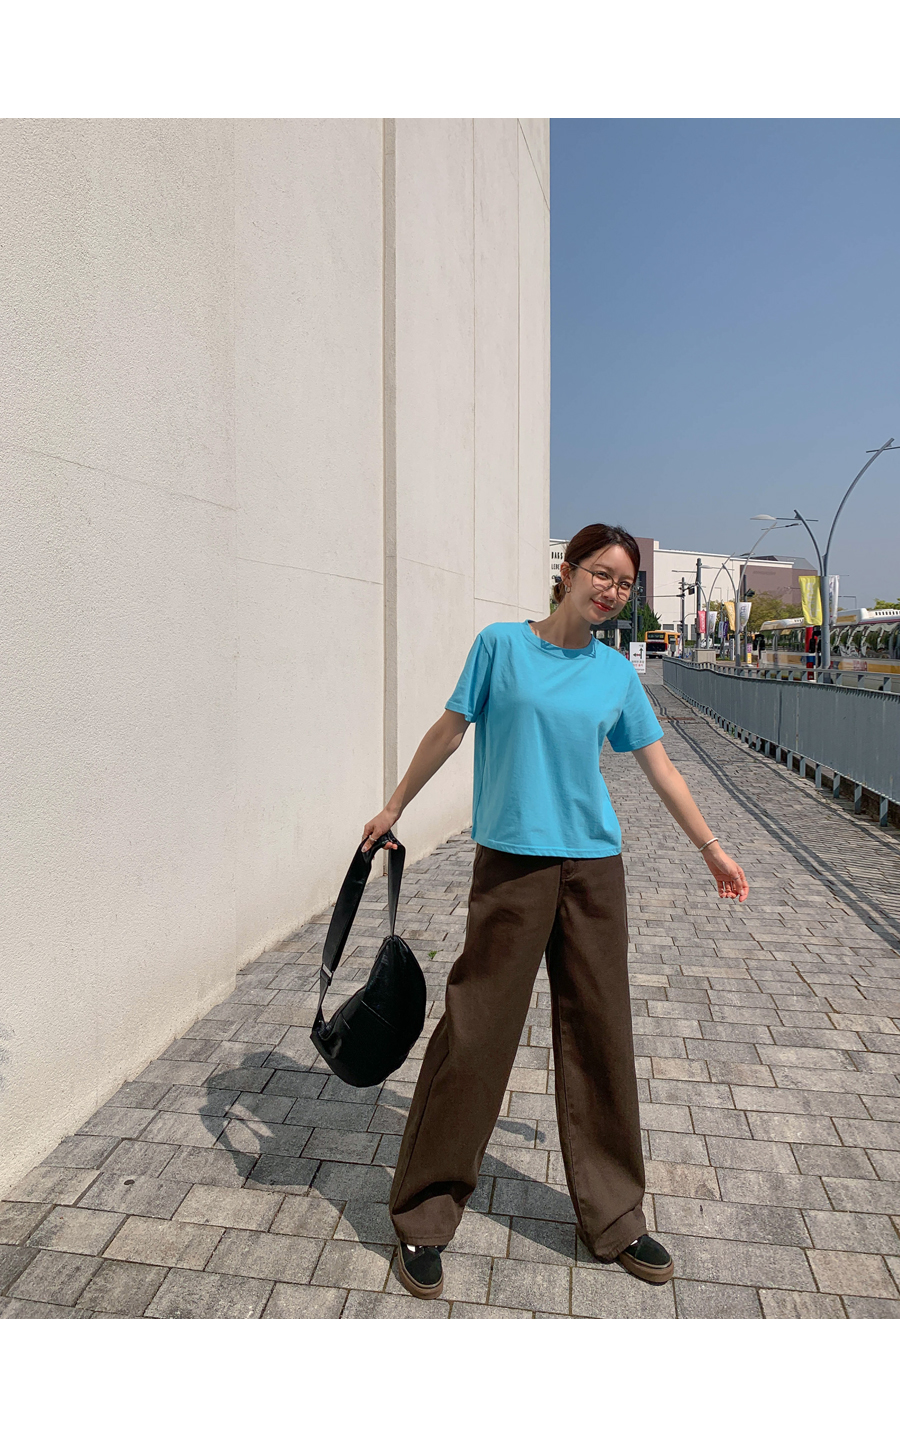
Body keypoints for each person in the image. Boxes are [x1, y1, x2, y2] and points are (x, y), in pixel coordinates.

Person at [361, 523, 749, 1300]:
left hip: (594, 871)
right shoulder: (500, 647)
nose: (612, 591)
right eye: (601, 574)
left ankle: (616, 1217)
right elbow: (449, 729)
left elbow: (660, 767)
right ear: (567, 572)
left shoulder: (613, 674)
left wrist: (710, 846)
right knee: (475, 1034)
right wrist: (395, 805)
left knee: (602, 1037)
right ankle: (423, 1215)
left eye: (625, 583)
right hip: (511, 865)